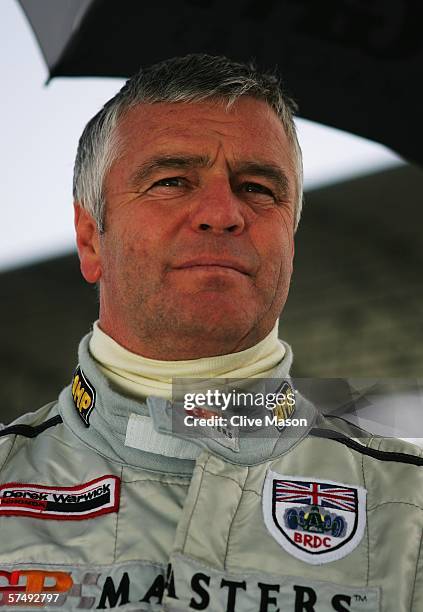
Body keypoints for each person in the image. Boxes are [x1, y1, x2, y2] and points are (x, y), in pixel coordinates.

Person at [0, 54, 421, 612]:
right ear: (90, 238)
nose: (222, 213)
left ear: (290, 239)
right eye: (171, 181)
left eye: (258, 188)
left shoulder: (409, 509)